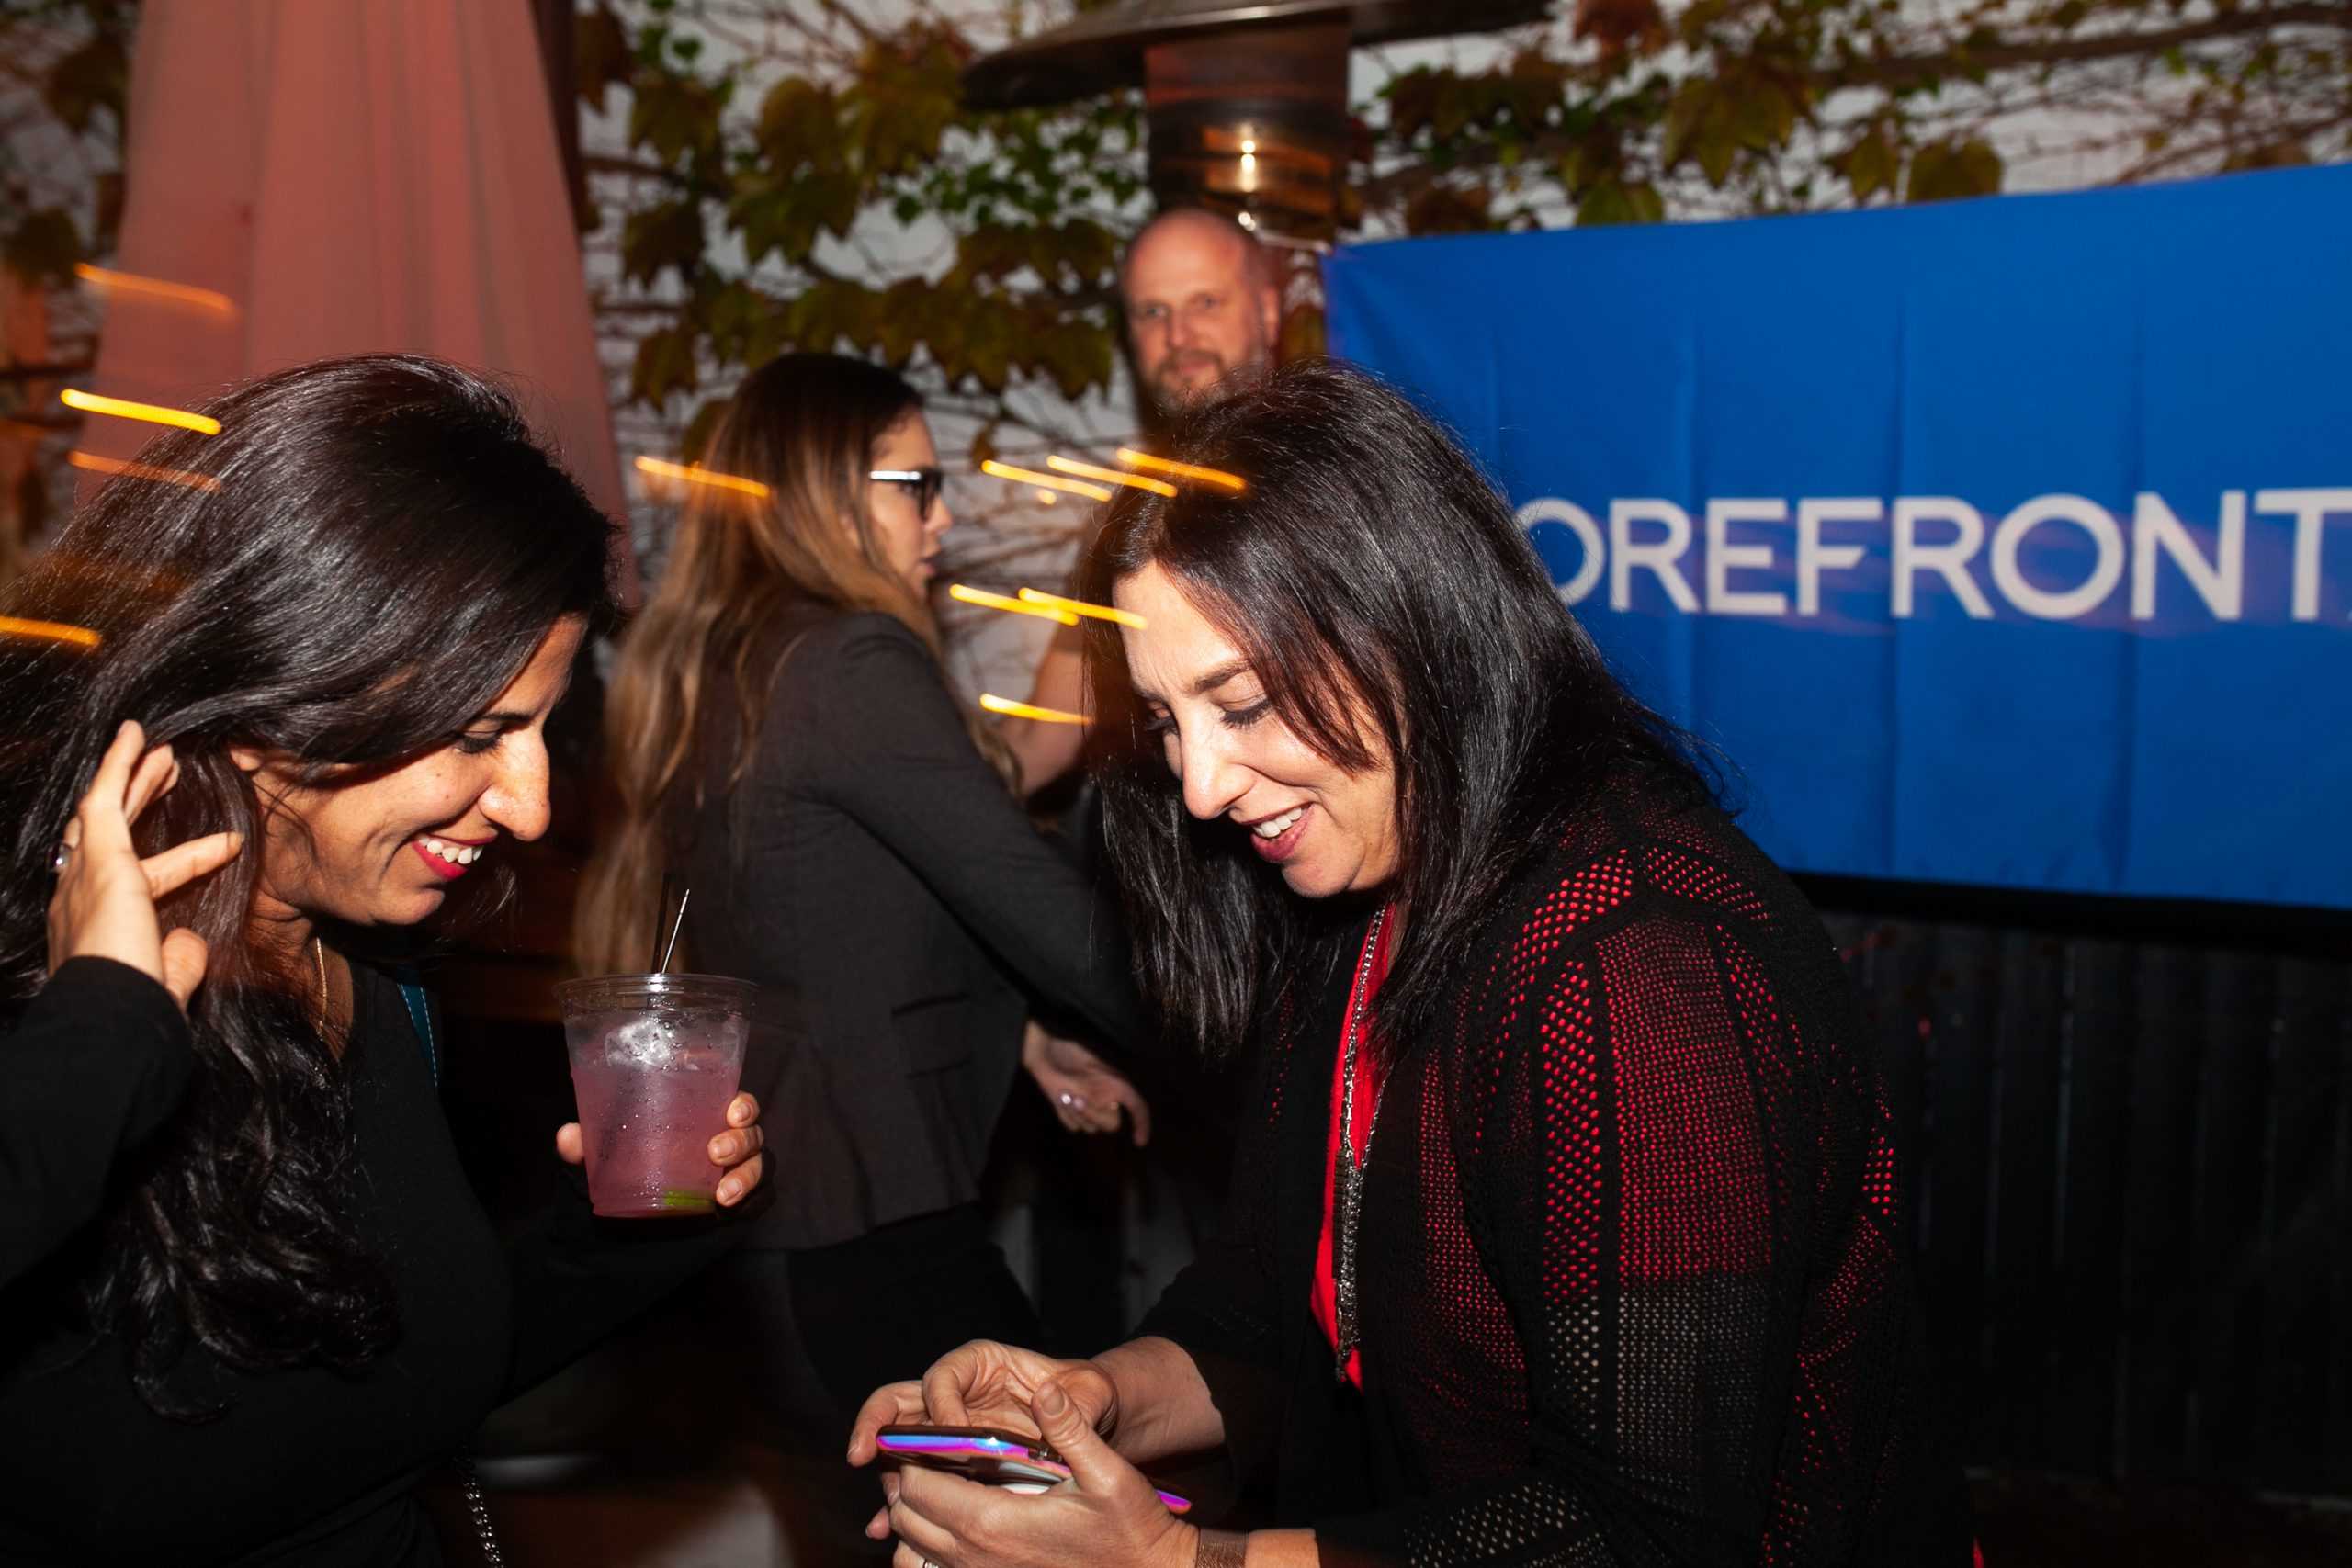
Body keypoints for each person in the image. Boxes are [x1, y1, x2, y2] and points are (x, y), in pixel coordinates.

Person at [850, 363, 1972, 1565]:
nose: (1202, 787)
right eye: (1170, 720)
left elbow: (1646, 1533)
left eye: (1241, 701)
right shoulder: (1359, 895)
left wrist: (1176, 1560)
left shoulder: (1639, 965)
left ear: (1408, 624)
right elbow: (1271, 1311)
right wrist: (1085, 1399)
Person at [0, 354, 770, 1566]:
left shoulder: (383, 973)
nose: (528, 803)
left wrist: (628, 1226)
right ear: (271, 702)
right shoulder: (37, 989)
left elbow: (373, 1387)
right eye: (481, 734)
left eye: (543, 729)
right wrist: (102, 1029)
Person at [575, 352, 1151, 1556]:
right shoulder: (849, 661)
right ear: (825, 489)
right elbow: (1056, 921)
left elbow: (826, 928)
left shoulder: (715, 659)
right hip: (876, 1232)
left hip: (776, 1228)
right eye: (915, 483)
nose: (940, 518)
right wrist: (1271, 995)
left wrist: (1028, 1028)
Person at [1002, 207, 1282, 798]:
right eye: (1153, 312)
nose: (1179, 338)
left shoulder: (1338, 476)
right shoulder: (1131, 516)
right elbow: (1046, 736)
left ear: (1268, 310)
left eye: (1206, 302)